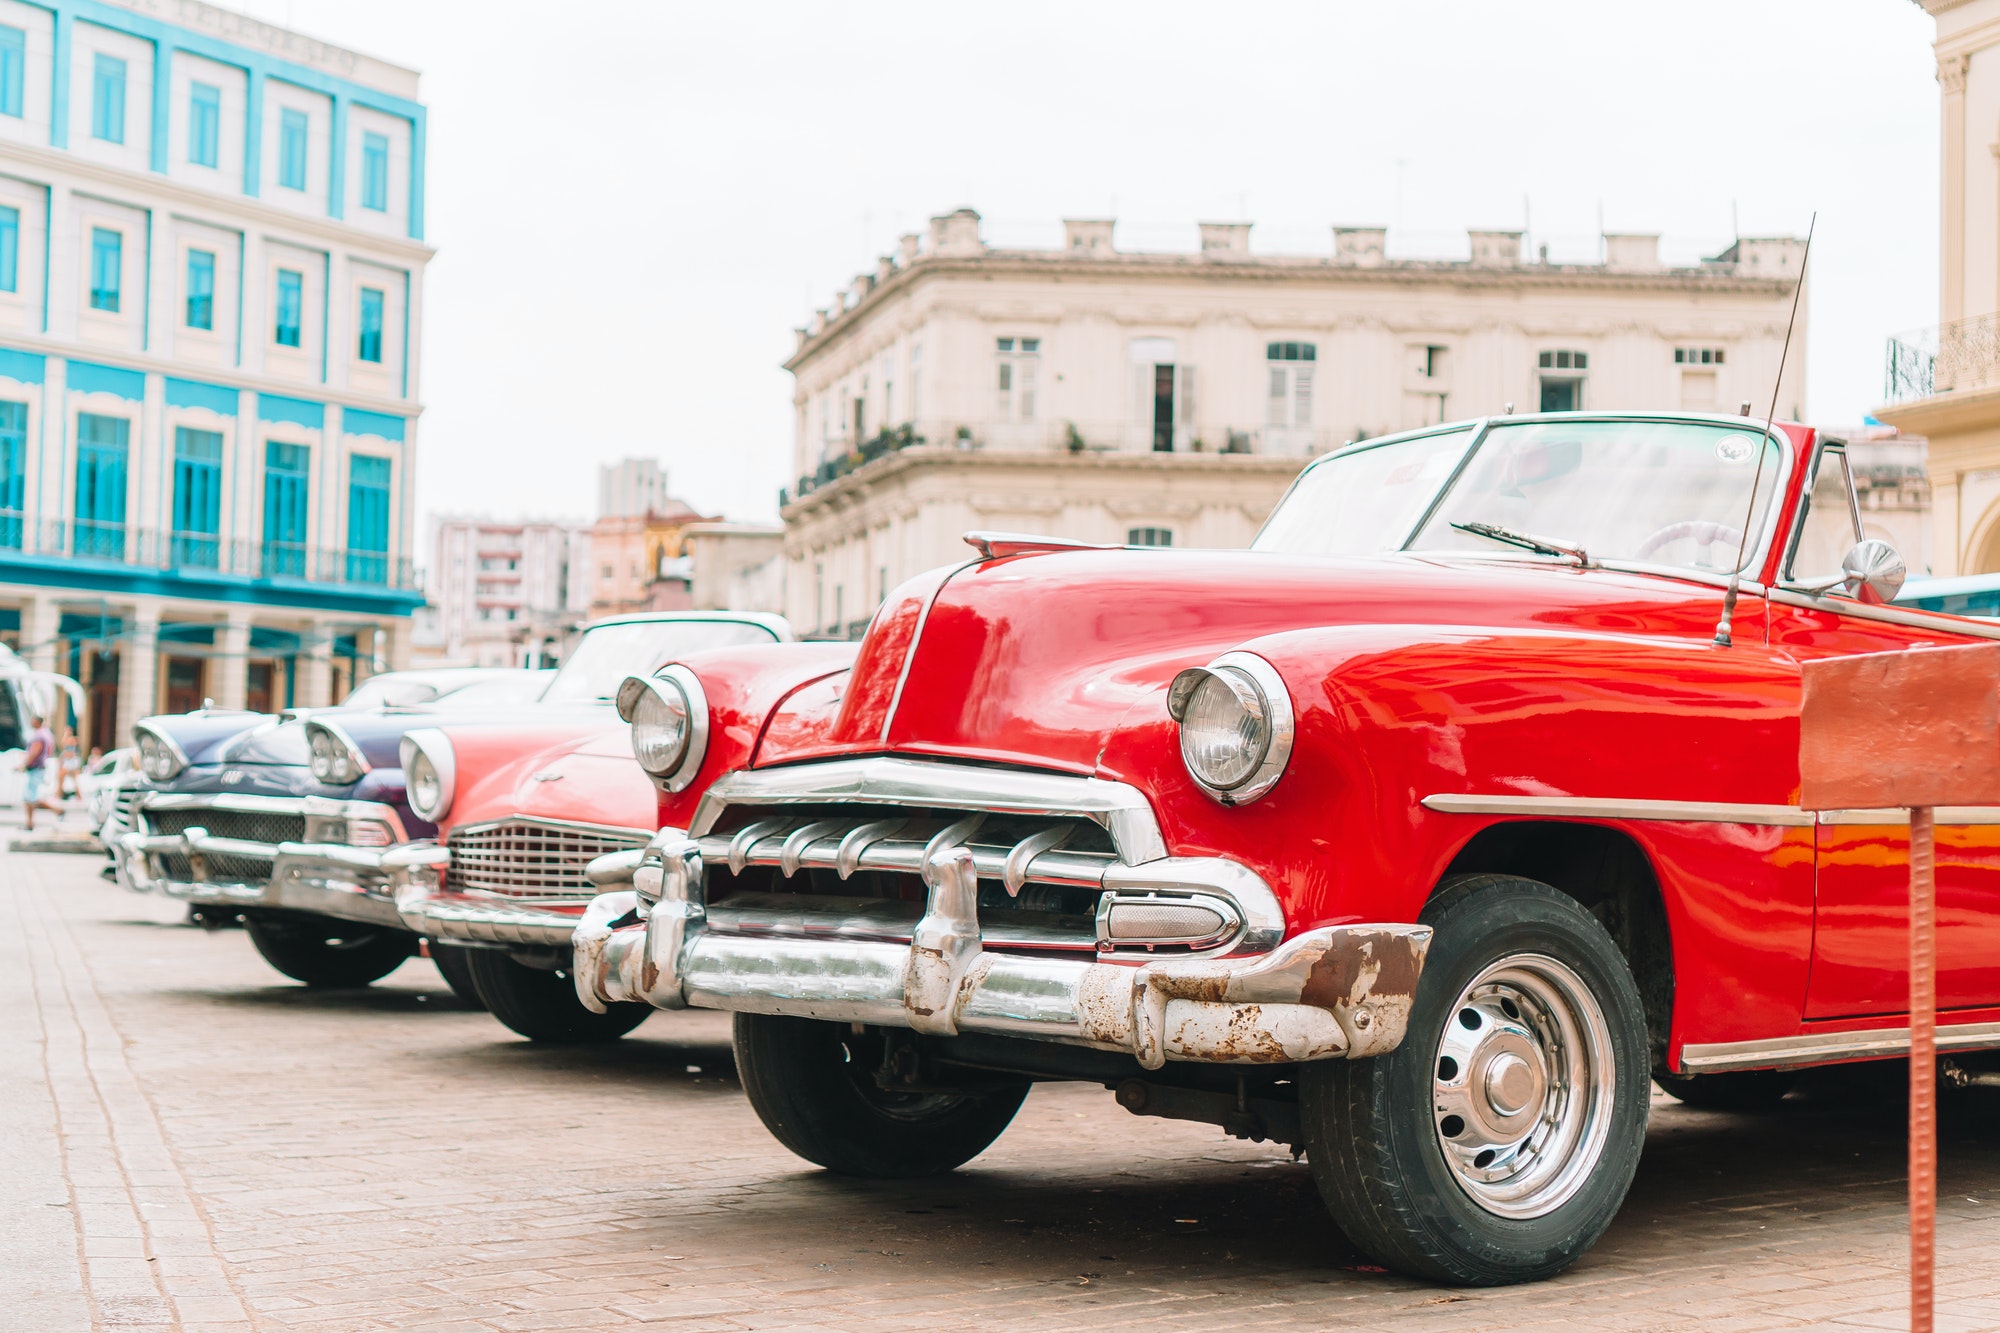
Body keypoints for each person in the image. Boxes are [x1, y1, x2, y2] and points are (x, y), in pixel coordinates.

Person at [20, 713, 60, 831]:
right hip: (40, 767)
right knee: (31, 797)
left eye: (32, 720)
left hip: (35, 769)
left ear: (37, 721)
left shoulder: (39, 736)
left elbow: (34, 752)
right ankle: (30, 823)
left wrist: (24, 764)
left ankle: (31, 824)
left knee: (30, 798)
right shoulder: (47, 734)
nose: (31, 722)